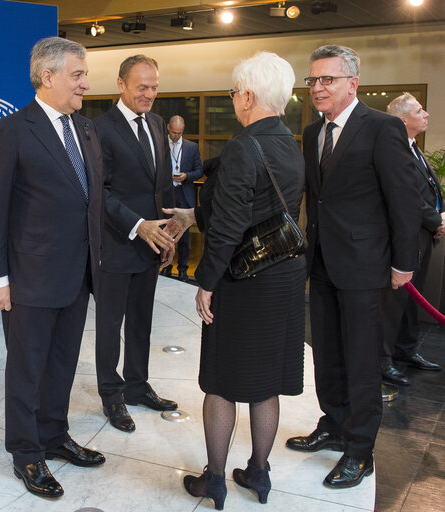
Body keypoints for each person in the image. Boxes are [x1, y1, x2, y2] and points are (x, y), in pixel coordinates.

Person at [168, 52, 306, 509]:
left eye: (233, 93)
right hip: (283, 278)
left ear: (247, 95)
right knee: (265, 383)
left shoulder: (244, 145)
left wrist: (206, 282)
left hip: (244, 282)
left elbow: (229, 225)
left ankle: (215, 480)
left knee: (222, 384)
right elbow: (259, 207)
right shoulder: (289, 141)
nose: (233, 101)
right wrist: (197, 213)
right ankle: (259, 474)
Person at [0, 37, 105, 499]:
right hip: (29, 280)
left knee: (63, 365)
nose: (86, 84)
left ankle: (54, 435)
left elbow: (93, 203)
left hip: (78, 275)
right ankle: (26, 454)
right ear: (47, 77)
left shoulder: (86, 130)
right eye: (77, 75)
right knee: (27, 371)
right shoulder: (11, 131)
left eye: (85, 75)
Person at [286, 45, 420, 489]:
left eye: (327, 79)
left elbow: (404, 201)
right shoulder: (311, 132)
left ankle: (359, 451)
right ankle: (334, 424)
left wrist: (404, 263)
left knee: (362, 362)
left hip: (367, 268)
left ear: (352, 84)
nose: (318, 88)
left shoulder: (382, 128)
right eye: (313, 80)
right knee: (326, 355)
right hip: (322, 263)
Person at [93, 54, 177, 434]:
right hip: (116, 242)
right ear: (121, 85)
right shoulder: (100, 129)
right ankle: (111, 395)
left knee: (142, 320)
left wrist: (168, 232)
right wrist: (138, 225)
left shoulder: (158, 123)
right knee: (110, 325)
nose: (149, 94)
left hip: (150, 245)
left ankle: (137, 385)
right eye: (142, 87)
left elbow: (158, 186)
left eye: (155, 87)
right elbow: (100, 193)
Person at [380, 93, 443, 387]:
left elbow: (427, 189)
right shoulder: (396, 150)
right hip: (407, 236)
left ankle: (406, 351)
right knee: (393, 303)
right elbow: (409, 197)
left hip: (423, 234)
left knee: (410, 301)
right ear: (403, 120)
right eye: (420, 110)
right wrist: (436, 221)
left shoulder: (414, 148)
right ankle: (384, 361)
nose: (426, 114)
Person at [160, 115, 204, 280]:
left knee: (184, 235)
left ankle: (183, 268)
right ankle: (166, 265)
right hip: (167, 193)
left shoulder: (192, 147)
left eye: (179, 133)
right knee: (166, 232)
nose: (176, 136)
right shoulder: (161, 145)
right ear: (168, 129)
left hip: (184, 194)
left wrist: (186, 176)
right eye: (173, 132)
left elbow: (199, 171)